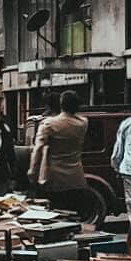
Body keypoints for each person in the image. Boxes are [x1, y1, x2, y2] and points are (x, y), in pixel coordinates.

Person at [29, 91, 93, 221]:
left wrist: (32, 171)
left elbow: (38, 149)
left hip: (53, 178)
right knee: (74, 215)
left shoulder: (49, 124)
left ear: (61, 104)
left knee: (53, 215)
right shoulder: (83, 123)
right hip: (76, 177)